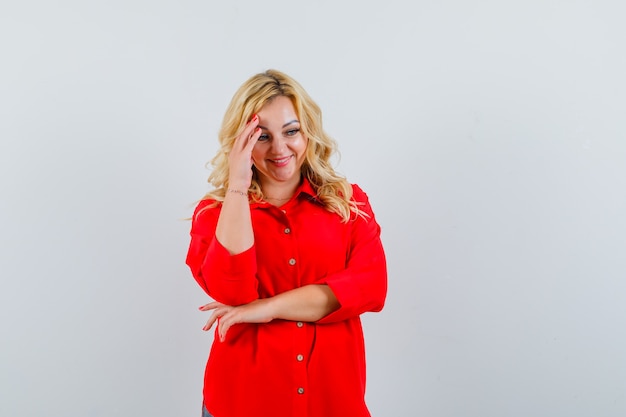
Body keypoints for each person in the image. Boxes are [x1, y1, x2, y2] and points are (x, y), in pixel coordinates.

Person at [185, 69, 387, 417]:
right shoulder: (215, 214)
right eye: (262, 136)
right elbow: (232, 294)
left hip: (331, 401)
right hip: (243, 402)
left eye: (291, 131)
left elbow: (370, 288)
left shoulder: (348, 202)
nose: (280, 148)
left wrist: (266, 308)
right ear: (242, 142)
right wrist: (237, 183)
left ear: (307, 131)